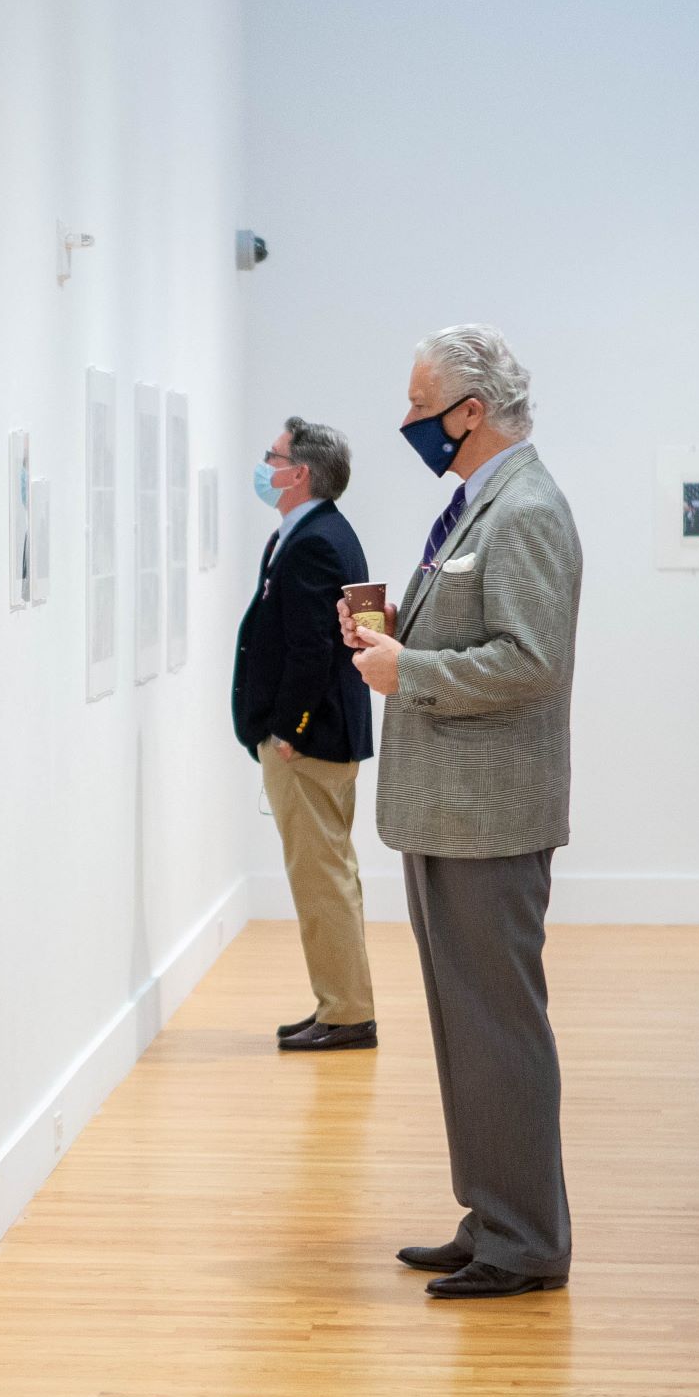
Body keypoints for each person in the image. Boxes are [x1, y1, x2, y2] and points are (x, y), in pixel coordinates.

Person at [341, 325, 583, 1300]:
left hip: (490, 816)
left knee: (501, 1028)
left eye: (419, 401)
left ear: (470, 410)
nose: (407, 420)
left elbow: (532, 661)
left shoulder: (524, 510)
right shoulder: (480, 502)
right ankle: (493, 1213)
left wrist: (412, 671)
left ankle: (526, 1240)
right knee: (465, 1026)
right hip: (451, 811)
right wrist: (399, 642)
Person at [232, 417, 378, 1051]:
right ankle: (339, 1004)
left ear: (300, 474)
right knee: (327, 875)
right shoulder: (312, 533)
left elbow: (314, 649)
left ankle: (347, 1015)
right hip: (319, 736)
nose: (264, 465)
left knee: (322, 879)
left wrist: (289, 730)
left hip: (310, 741)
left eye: (273, 457)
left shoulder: (316, 539)